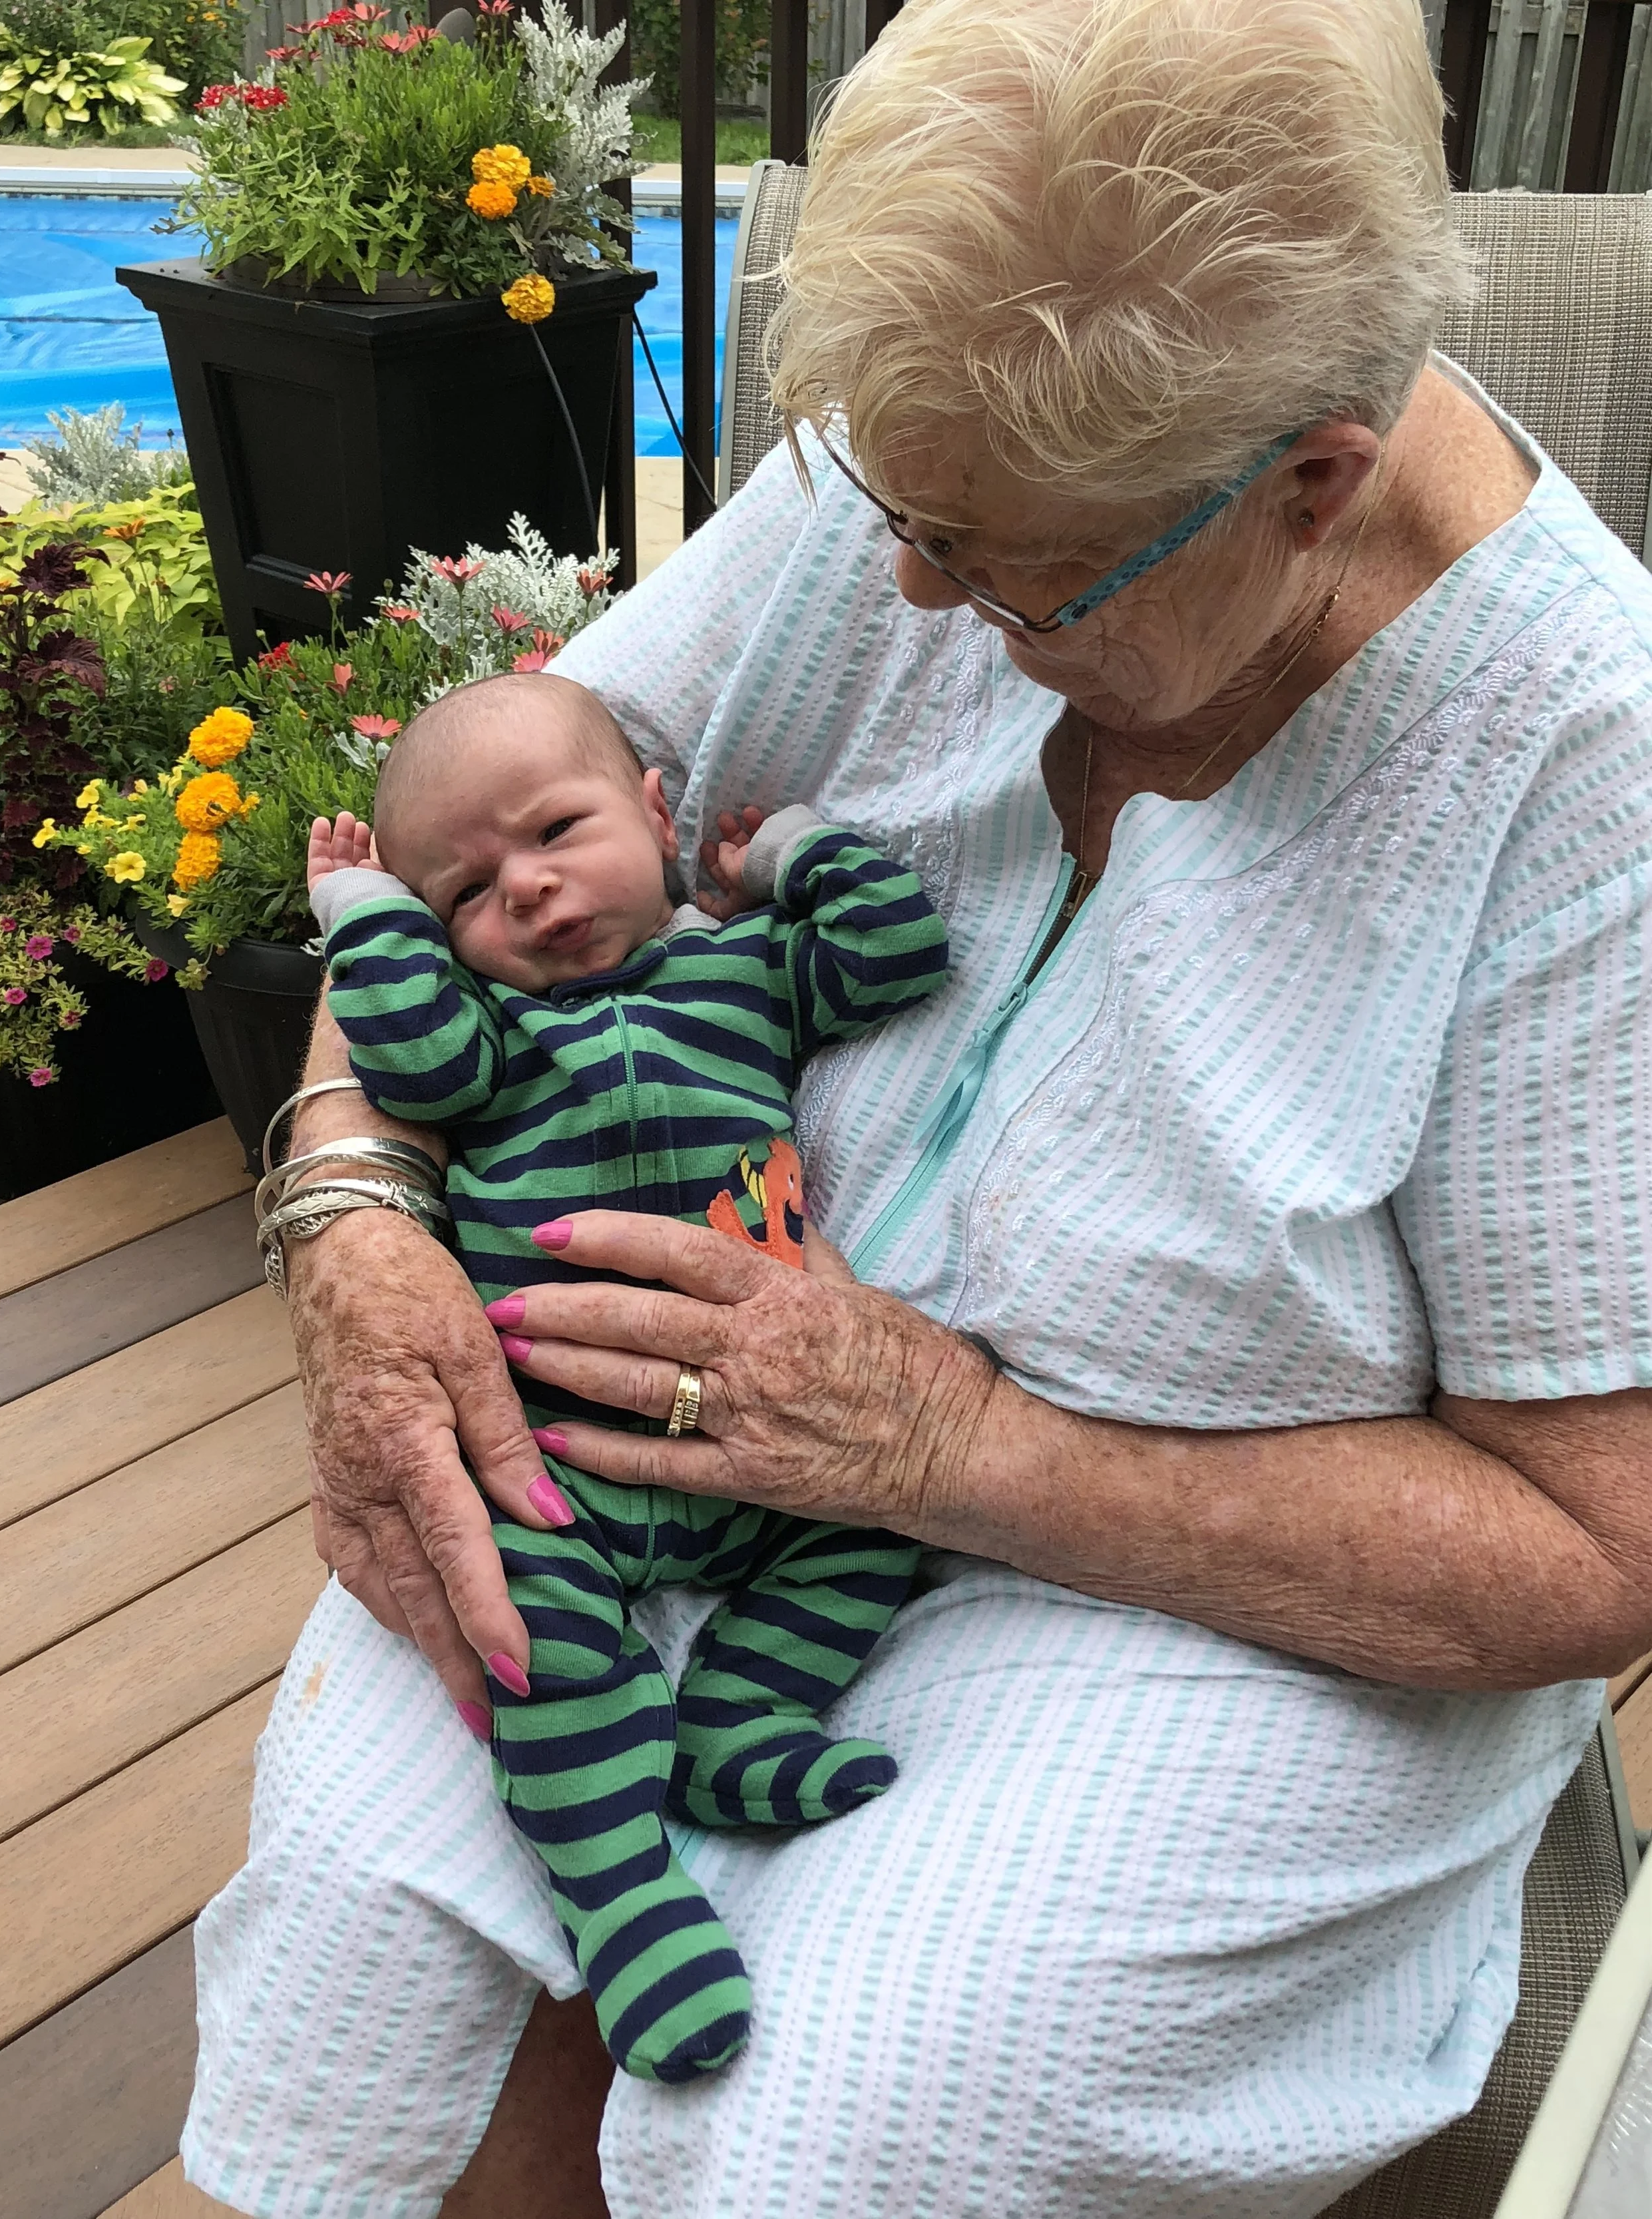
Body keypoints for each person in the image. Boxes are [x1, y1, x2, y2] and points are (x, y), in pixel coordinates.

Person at [182, 1, 1651, 2214]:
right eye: (891, 503)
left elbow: (1595, 1541)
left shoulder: (1587, 790)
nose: (902, 589)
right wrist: (357, 1217)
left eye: (994, 566)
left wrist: (969, 1452)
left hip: (1208, 1594)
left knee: (832, 2123)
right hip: (671, 1437)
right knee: (382, 1918)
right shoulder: (958, 442)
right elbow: (455, 853)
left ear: (1311, 486)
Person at [302, 671, 946, 2083]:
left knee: (885, 1527)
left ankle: (738, 1720)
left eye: (556, 831)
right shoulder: (485, 1042)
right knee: (521, 1639)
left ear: (652, 813)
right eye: (467, 890)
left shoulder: (748, 969)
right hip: (557, 1464)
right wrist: (368, 920)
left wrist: (776, 854)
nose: (527, 892)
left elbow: (895, 948)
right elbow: (400, 1051)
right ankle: (626, 1904)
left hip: (778, 1441)